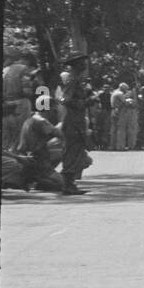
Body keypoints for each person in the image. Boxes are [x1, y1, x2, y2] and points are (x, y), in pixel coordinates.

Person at [56, 49, 92, 194]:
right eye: (81, 61)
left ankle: (70, 184)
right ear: (75, 64)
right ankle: (67, 185)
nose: (84, 63)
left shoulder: (76, 79)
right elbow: (66, 99)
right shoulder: (72, 79)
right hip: (72, 121)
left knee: (76, 152)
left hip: (77, 120)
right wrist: (86, 102)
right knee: (72, 152)